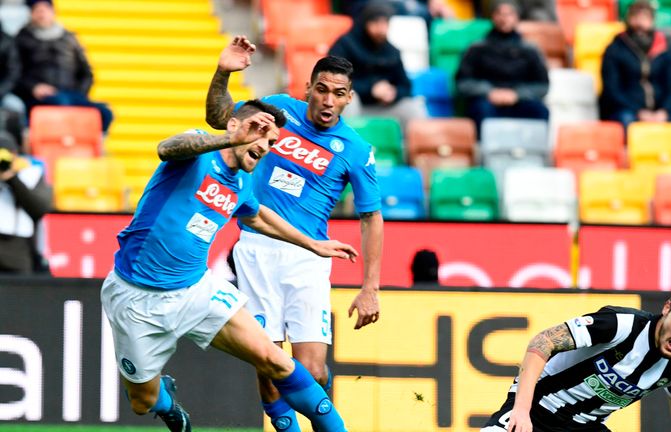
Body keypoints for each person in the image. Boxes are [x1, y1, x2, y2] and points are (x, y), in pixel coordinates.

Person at [102, 99, 358, 432]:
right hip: (136, 298)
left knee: (274, 359)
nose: (265, 146)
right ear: (235, 127)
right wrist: (229, 139)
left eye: (271, 142)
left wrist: (312, 244)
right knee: (142, 401)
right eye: (260, 134)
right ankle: (165, 400)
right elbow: (167, 148)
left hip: (196, 290)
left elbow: (257, 215)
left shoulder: (241, 182)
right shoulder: (197, 153)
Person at [206, 37, 384, 432]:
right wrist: (223, 73)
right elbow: (220, 120)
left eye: (338, 94)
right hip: (255, 247)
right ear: (307, 88)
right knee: (267, 365)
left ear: (349, 99)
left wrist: (370, 286)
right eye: (321, 89)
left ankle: (320, 403)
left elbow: (371, 216)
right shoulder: (279, 112)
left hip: (309, 258)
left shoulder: (355, 149)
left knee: (312, 371)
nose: (327, 100)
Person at [481, 287, 671, 432]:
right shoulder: (621, 325)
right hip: (535, 409)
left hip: (584, 427)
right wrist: (521, 410)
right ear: (667, 308)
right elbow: (541, 342)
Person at [13, 0, 113, 132]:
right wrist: (33, 88)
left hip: (71, 95)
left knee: (105, 113)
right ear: (31, 14)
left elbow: (87, 73)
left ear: (53, 12)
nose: (42, 14)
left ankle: (95, 146)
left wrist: (79, 93)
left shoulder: (69, 39)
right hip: (40, 98)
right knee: (60, 102)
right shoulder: (21, 40)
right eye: (37, 10)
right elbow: (14, 73)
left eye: (45, 10)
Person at [328, 1, 428, 130]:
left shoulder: (391, 51)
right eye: (376, 23)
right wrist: (371, 89)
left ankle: (410, 149)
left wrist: (393, 92)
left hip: (380, 108)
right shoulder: (345, 44)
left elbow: (406, 86)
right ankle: (344, 144)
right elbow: (333, 80)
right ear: (365, 23)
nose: (381, 29)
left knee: (413, 108)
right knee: (346, 99)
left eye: (385, 23)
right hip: (355, 107)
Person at [455, 0, 549, 132]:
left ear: (517, 17)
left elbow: (542, 86)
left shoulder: (529, 50)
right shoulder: (477, 48)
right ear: (493, 16)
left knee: (539, 111)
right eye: (500, 13)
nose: (504, 19)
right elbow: (463, 82)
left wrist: (517, 95)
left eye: (509, 14)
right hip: (487, 101)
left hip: (519, 101)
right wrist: (489, 92)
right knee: (481, 109)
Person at [599, 0, 671, 129]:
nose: (639, 23)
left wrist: (664, 111)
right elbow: (612, 90)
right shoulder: (615, 48)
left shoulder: (664, 49)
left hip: (659, 112)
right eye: (635, 17)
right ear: (627, 20)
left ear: (652, 21)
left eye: (644, 18)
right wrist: (639, 112)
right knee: (627, 122)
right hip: (626, 110)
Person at [0, 131, 51, 274]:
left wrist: (12, 178)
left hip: (18, 247)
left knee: (18, 292)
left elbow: (40, 208)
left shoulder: (31, 175)